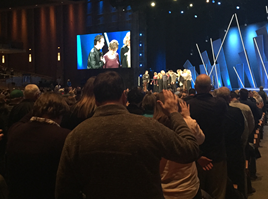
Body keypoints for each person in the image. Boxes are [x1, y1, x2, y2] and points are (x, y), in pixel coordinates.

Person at [55, 71, 200, 199]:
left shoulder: (76, 136)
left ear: (96, 100)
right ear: (124, 97)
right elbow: (190, 150)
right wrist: (174, 113)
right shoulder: (149, 127)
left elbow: (64, 191)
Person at [7, 92, 70, 199]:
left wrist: (40, 106)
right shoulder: (65, 136)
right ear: (60, 114)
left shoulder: (15, 129)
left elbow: (24, 119)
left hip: (16, 194)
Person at [154, 94, 205, 199]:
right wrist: (187, 117)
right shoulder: (189, 124)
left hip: (162, 189)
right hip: (188, 188)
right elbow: (201, 140)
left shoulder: (152, 126)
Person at [186, 74, 228, 199]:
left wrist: (198, 155)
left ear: (195, 86)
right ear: (210, 87)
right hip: (217, 156)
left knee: (196, 193)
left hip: (195, 157)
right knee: (218, 194)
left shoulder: (187, 105)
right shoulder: (220, 103)